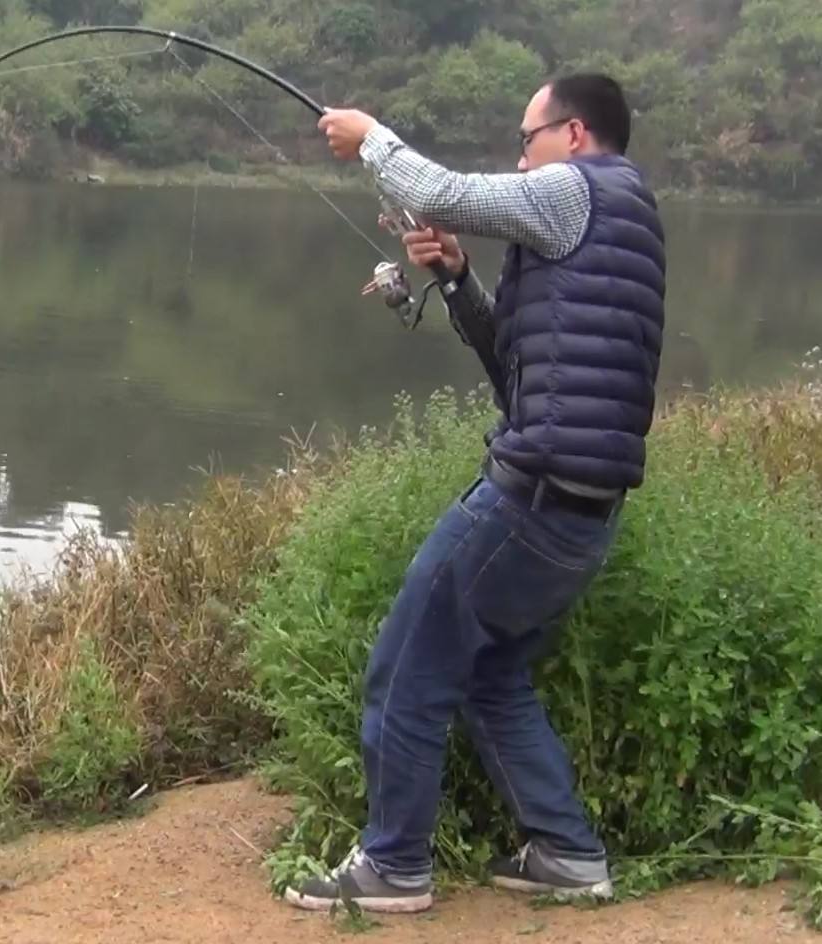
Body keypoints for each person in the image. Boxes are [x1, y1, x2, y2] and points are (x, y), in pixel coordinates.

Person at [283, 74, 666, 914]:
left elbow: (443, 191)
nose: (518, 157)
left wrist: (369, 138)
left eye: (524, 139)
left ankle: (393, 868)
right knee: (491, 675)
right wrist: (455, 276)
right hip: (579, 513)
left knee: (407, 662)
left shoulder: (572, 192)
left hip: (528, 504)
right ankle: (567, 854)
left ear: (571, 135)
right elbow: (516, 377)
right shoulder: (622, 218)